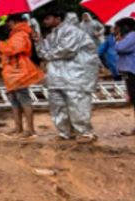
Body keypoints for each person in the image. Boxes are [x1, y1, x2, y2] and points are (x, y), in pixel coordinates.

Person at [37, 10, 100, 142]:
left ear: (58, 18)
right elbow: (42, 53)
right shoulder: (51, 35)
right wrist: (38, 42)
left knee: (77, 103)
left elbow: (66, 51)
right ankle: (65, 132)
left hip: (76, 75)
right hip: (57, 76)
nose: (45, 22)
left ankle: (85, 132)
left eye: (48, 18)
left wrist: (48, 54)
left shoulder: (72, 31)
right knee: (58, 105)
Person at [0, 20, 43, 137]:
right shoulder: (15, 35)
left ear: (13, 22)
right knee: (14, 101)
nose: (7, 25)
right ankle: (18, 128)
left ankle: (30, 130)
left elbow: (12, 50)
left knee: (24, 100)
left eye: (8, 22)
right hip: (11, 73)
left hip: (19, 72)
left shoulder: (21, 34)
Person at [115, 18, 135, 136]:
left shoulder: (132, 36)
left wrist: (118, 40)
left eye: (118, 28)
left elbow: (120, 48)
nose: (116, 30)